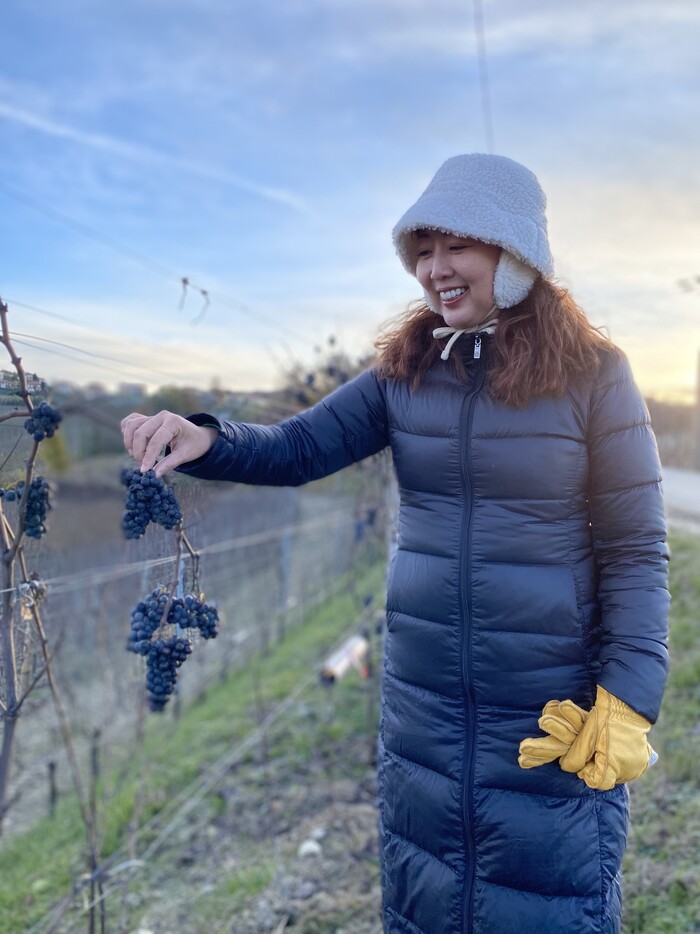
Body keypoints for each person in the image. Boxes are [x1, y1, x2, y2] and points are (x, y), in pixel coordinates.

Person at [121, 153, 670, 934]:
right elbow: (295, 448)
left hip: (552, 713)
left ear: (515, 252)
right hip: (425, 718)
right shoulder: (404, 373)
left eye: (456, 246)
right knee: (428, 901)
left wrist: (629, 697)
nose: (433, 269)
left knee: (549, 909)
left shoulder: (595, 376)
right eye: (422, 251)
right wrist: (204, 439)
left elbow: (636, 547)